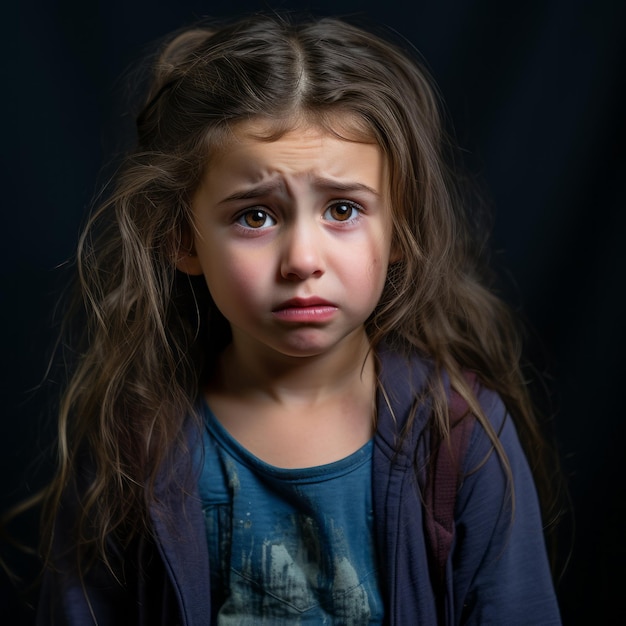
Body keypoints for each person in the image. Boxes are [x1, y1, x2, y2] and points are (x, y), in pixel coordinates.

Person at [34, 13, 561, 625]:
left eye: (343, 208)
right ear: (182, 239)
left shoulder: (458, 436)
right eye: (255, 216)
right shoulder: (135, 442)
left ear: (400, 229)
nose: (303, 260)